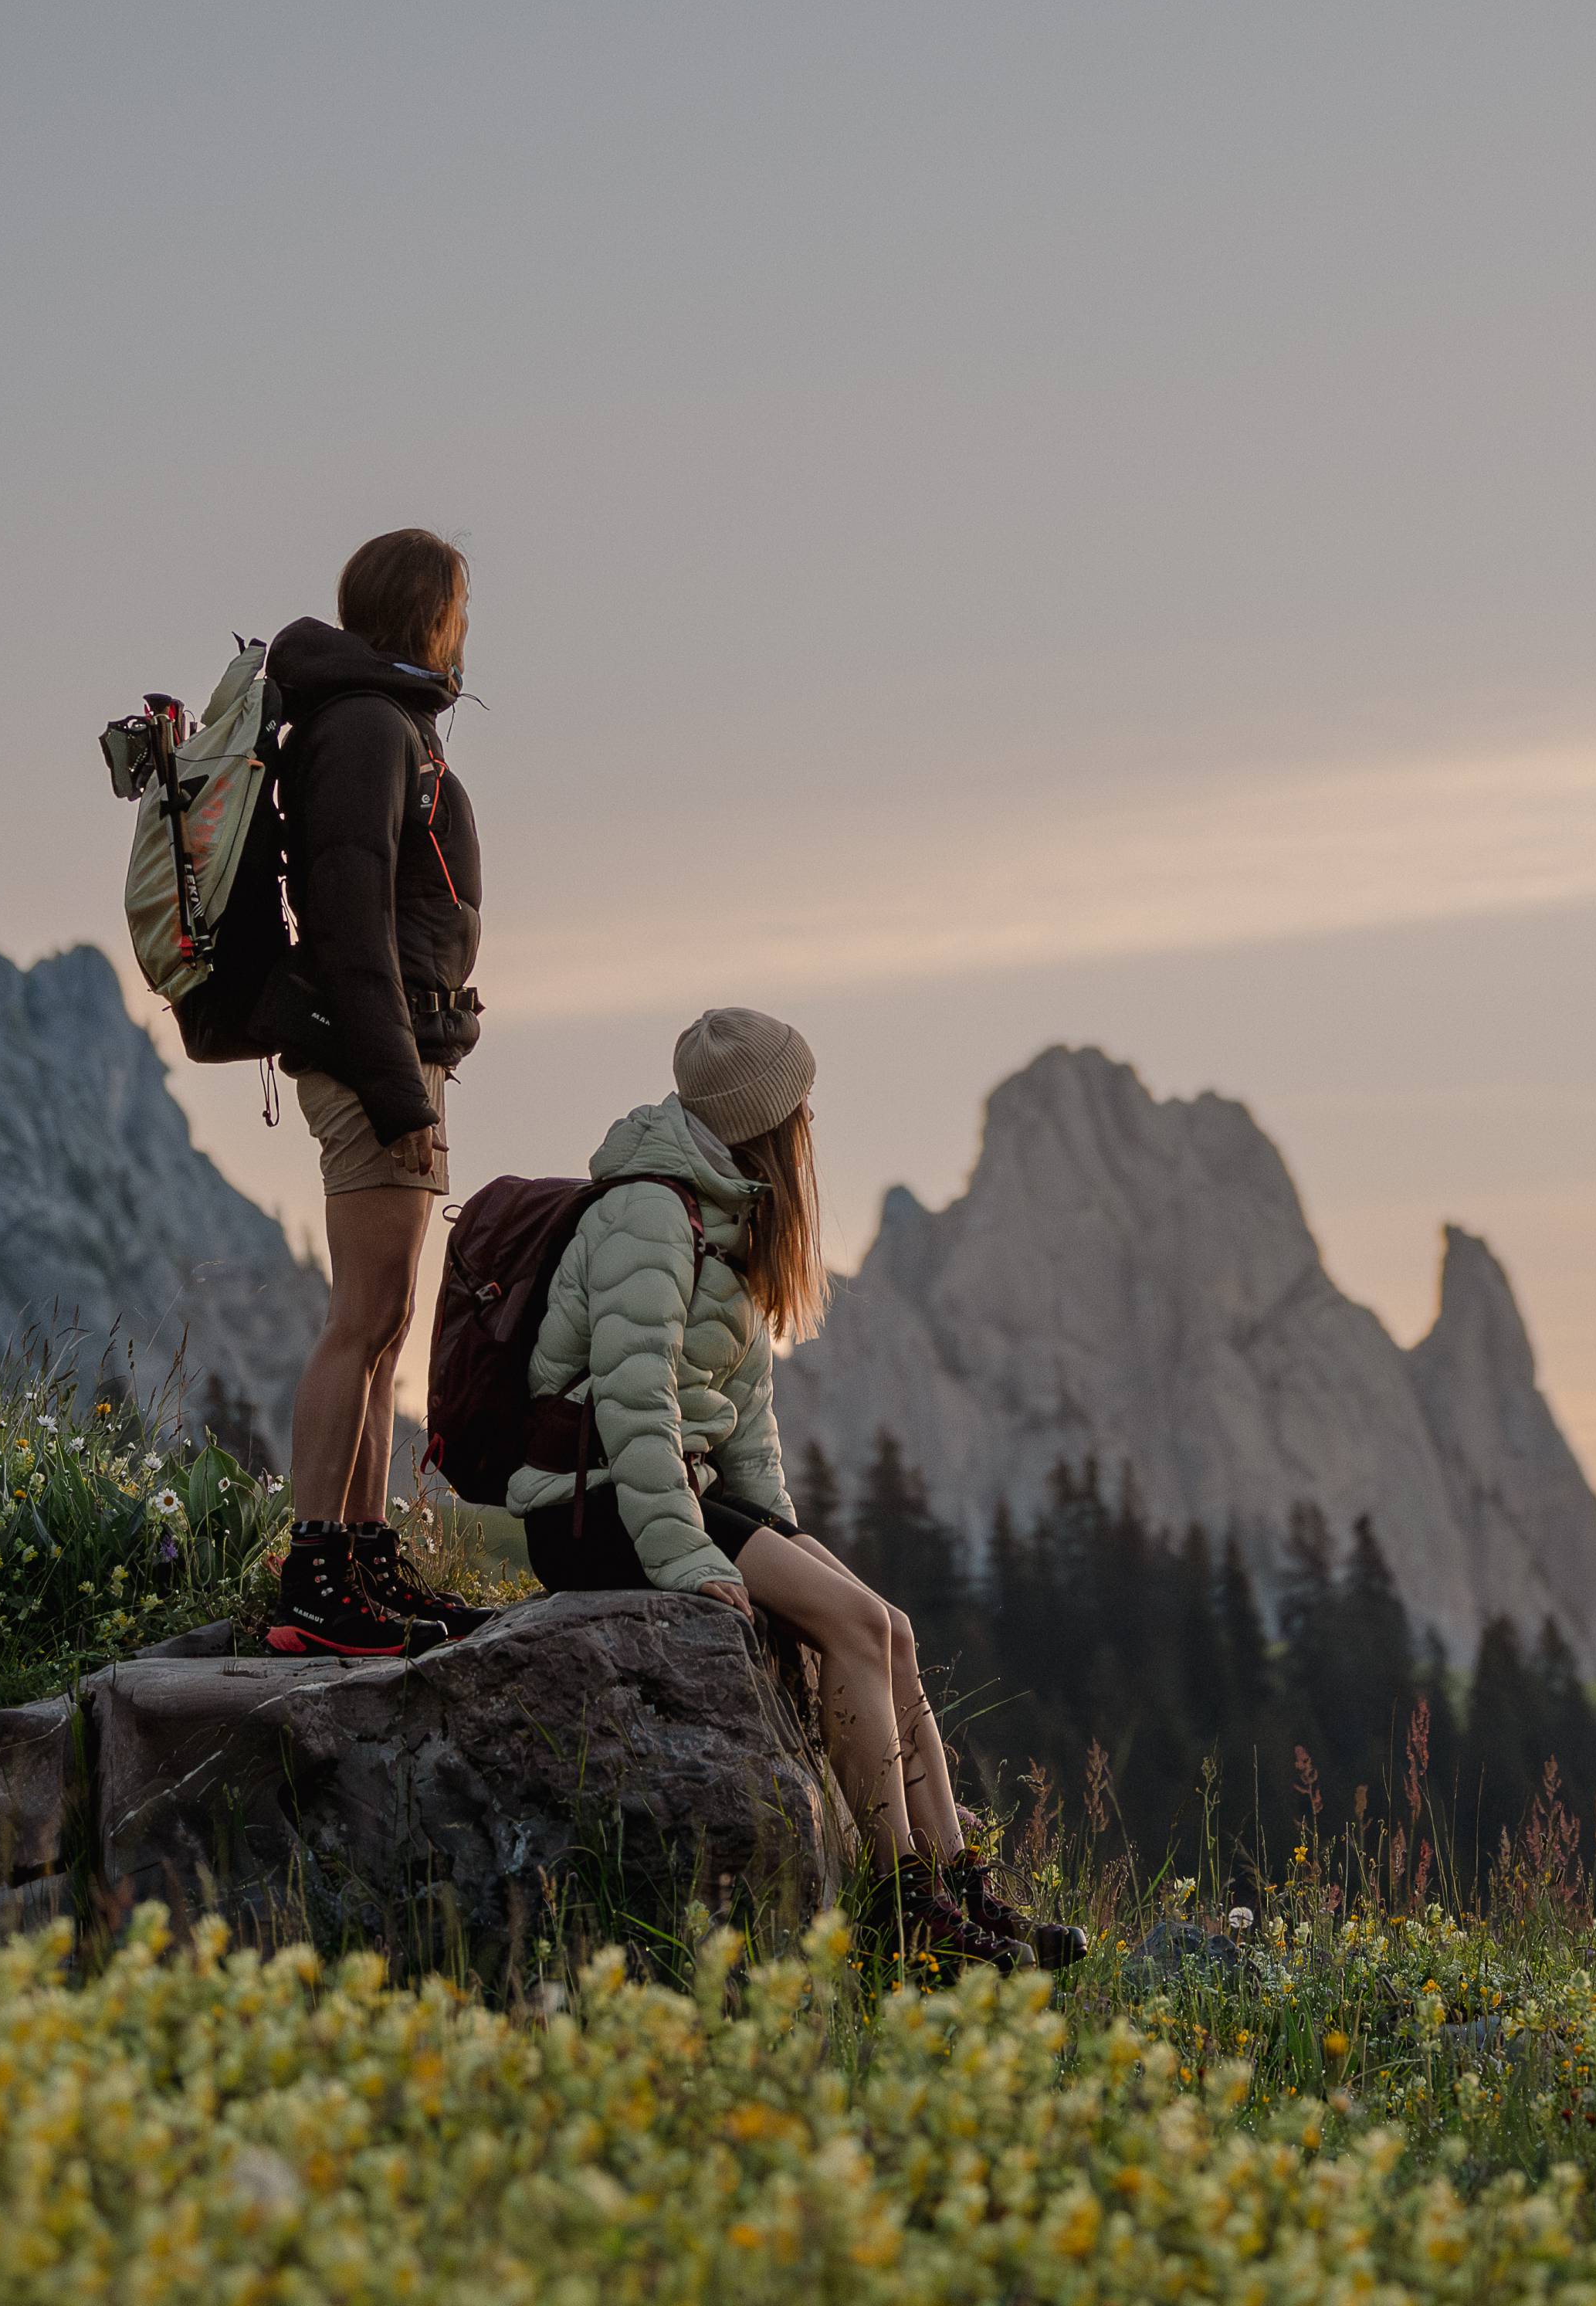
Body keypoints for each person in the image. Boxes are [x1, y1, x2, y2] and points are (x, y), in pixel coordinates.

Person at [510, 1006, 1079, 1973]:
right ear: (767, 1120)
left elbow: (745, 1422)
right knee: (854, 1627)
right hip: (592, 1504)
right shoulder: (649, 1213)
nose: (810, 1121)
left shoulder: (723, 1215)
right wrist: (686, 1555)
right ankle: (907, 1910)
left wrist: (783, 1543)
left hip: (662, 1490)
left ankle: (964, 1885)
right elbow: (635, 1404)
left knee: (883, 1623)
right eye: (799, 1105)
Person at [260, 528, 488, 1657]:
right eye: (460, 605)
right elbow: (350, 926)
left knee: (389, 1320)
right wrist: (400, 1087)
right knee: (360, 1320)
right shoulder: (362, 728)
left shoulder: (383, 721)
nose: (468, 628)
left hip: (400, 1050)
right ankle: (316, 1576)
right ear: (427, 612)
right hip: (374, 1056)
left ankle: (361, 1559)